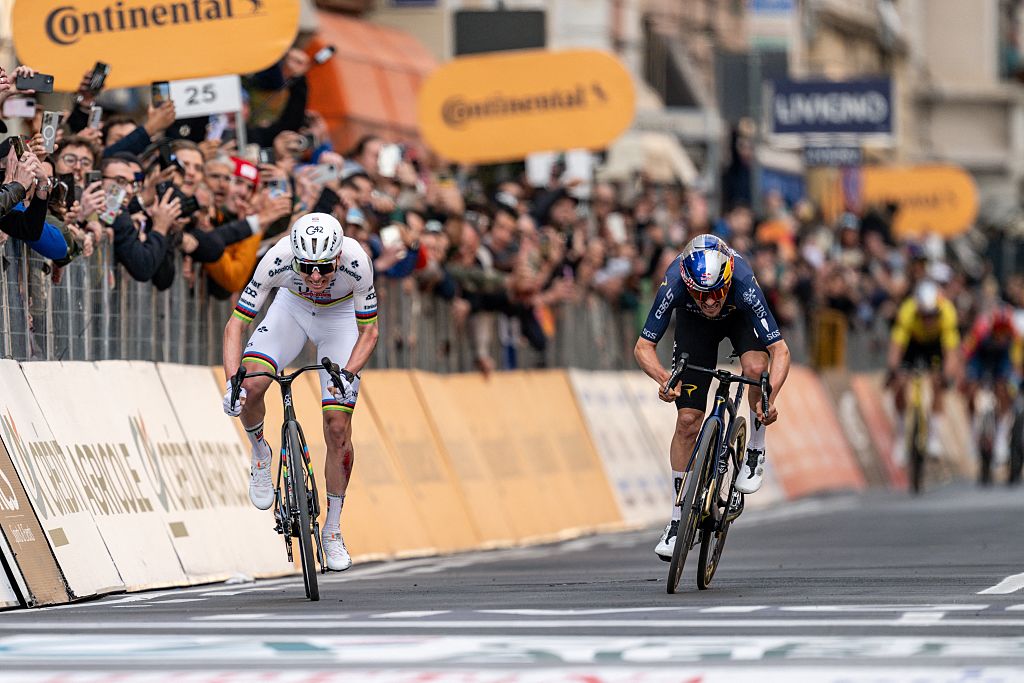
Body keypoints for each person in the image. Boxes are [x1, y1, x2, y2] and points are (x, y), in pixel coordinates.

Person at [221, 212, 379, 572]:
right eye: (307, 267)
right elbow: (236, 325)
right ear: (294, 257)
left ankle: (333, 530)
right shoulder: (275, 259)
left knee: (338, 426)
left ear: (339, 256)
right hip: (289, 310)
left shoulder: (358, 262)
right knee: (250, 385)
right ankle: (261, 451)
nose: (317, 276)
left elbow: (369, 332)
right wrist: (232, 380)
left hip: (340, 320)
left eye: (324, 267)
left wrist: (349, 373)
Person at [634, 234, 791, 562]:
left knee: (754, 367)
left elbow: (780, 350)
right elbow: (643, 346)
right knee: (687, 422)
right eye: (700, 294)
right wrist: (664, 378)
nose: (709, 302)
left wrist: (767, 398)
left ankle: (755, 451)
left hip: (740, 320)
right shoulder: (675, 280)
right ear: (688, 284)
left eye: (716, 293)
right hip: (695, 329)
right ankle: (678, 521)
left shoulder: (744, 281)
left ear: (728, 278)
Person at [887, 279, 960, 458]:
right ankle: (902, 437)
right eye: (924, 315)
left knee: (937, 383)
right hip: (913, 344)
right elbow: (897, 346)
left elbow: (950, 352)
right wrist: (894, 370)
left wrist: (947, 375)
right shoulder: (907, 312)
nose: (928, 319)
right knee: (900, 384)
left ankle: (933, 438)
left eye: (932, 315)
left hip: (935, 346)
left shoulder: (948, 313)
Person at [961, 304, 1019, 481]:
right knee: (971, 390)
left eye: (1005, 332)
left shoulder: (1015, 335)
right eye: (998, 332)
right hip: (980, 360)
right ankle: (973, 435)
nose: (1001, 336)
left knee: (1004, 389)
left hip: (1002, 362)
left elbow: (1016, 361)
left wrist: (1014, 380)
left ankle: (1001, 437)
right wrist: (965, 377)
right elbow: (966, 352)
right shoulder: (980, 330)